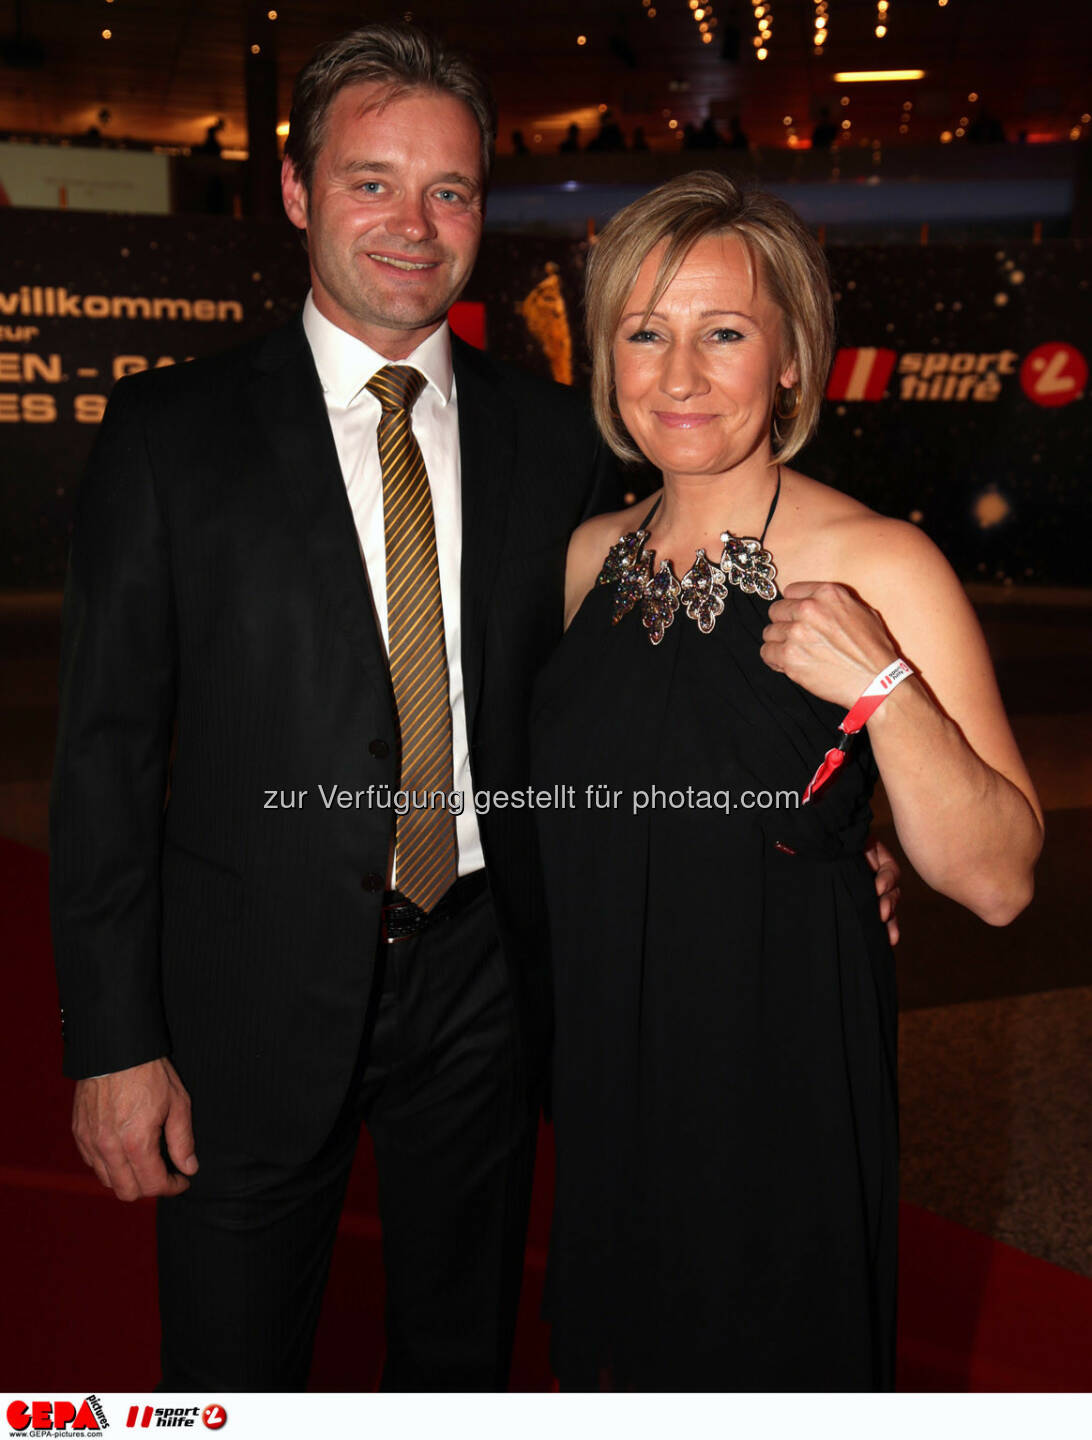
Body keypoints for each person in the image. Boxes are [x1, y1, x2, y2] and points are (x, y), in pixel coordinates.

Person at [50, 23, 618, 1392]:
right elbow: (107, 758)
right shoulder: (166, 435)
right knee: (229, 1371)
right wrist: (115, 1044)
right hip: (243, 998)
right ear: (297, 194)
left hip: (486, 986)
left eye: (451, 191)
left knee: (459, 1360)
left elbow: (635, 698)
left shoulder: (557, 441)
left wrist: (829, 830)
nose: (414, 226)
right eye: (372, 182)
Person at [530, 171, 1042, 1390]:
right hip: (609, 1081)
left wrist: (884, 689)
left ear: (793, 360)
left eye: (725, 333)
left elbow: (1001, 880)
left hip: (779, 1079)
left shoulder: (880, 559)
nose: (680, 375)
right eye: (644, 333)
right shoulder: (585, 559)